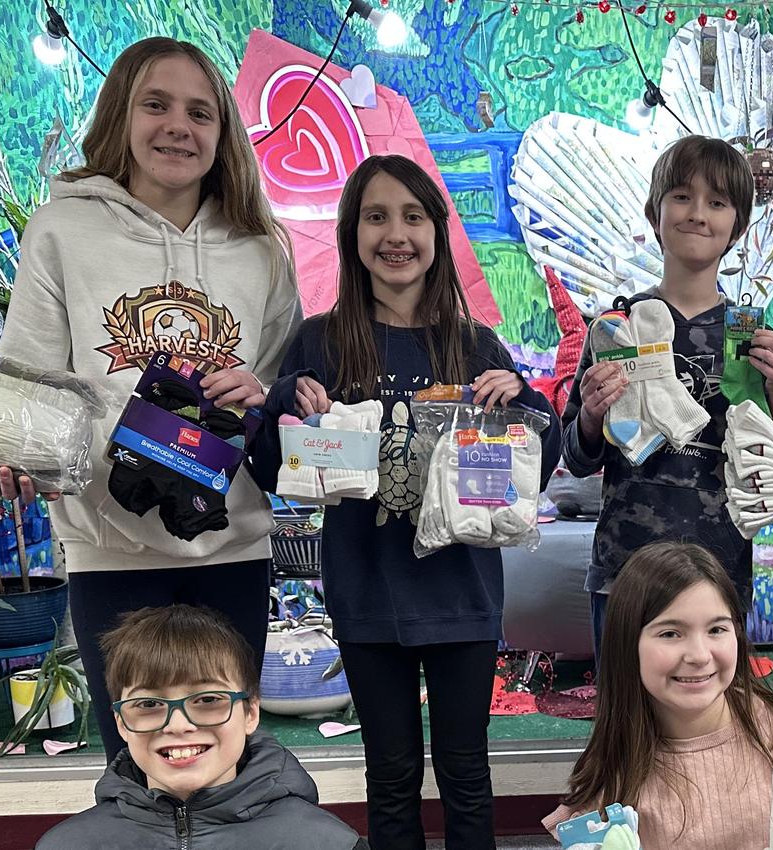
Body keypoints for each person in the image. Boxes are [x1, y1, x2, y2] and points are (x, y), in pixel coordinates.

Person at [0, 37, 303, 759]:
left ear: (223, 135)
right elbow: (29, 381)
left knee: (228, 761)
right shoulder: (62, 229)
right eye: (156, 105)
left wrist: (263, 393)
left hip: (232, 545)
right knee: (139, 761)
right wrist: (9, 453)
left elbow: (285, 390)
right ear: (121, 114)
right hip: (109, 546)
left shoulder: (261, 248)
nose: (178, 127)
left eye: (200, 112)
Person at [251, 154, 561, 850]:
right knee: (388, 780)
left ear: (436, 231)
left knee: (465, 774)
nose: (396, 234)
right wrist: (283, 410)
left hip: (463, 596)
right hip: (366, 597)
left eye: (412, 216)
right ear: (352, 234)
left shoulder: (474, 344)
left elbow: (543, 456)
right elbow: (270, 469)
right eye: (377, 216)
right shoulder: (320, 343)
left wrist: (528, 403)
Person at [560, 135, 773, 663]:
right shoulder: (615, 329)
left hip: (720, 571)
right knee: (627, 735)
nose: (698, 214)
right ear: (656, 212)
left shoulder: (751, 335)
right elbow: (576, 459)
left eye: (717, 203)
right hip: (626, 568)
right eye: (682, 197)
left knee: (712, 732)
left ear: (737, 227)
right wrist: (594, 415)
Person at [544, 542, 773, 850]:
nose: (700, 655)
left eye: (717, 629)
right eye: (671, 633)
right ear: (628, 644)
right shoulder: (613, 773)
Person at [35, 604, 365, 850]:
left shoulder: (328, 843)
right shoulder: (66, 845)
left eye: (208, 700)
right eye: (149, 704)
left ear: (250, 712)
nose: (179, 725)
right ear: (121, 722)